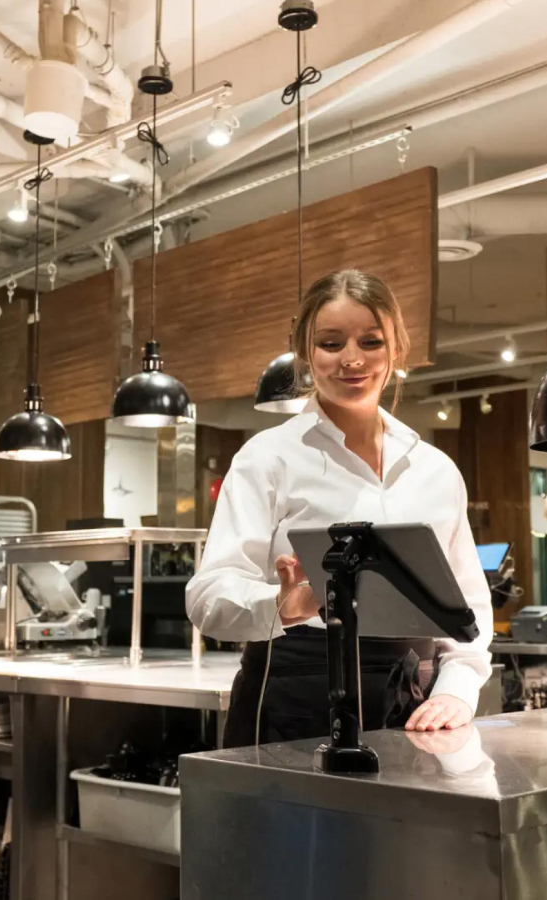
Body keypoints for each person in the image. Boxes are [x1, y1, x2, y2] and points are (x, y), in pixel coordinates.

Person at [186, 270, 493, 748]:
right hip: (292, 698)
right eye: (331, 343)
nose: (352, 359)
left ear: (396, 348)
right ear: (307, 353)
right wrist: (281, 605)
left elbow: (469, 603)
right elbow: (207, 596)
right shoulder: (267, 457)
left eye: (371, 341)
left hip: (415, 707)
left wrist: (458, 689)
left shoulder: (436, 469)